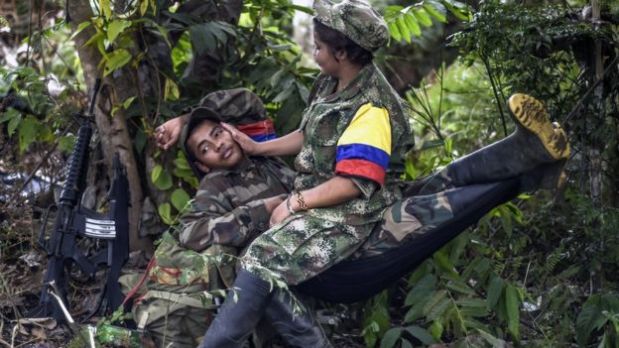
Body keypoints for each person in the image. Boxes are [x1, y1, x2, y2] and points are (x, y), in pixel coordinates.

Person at [193, 1, 571, 347]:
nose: (314, 52)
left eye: (319, 47)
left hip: (350, 210)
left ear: (342, 52)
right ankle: (529, 153)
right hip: (325, 192)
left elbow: (354, 183)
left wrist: (294, 203)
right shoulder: (331, 81)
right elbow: (311, 133)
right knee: (442, 182)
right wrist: (260, 148)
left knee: (260, 258)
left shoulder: (370, 109)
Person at [127, 88, 308, 347]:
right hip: (271, 273)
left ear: (229, 129)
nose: (218, 145)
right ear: (203, 164)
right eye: (205, 148)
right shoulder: (216, 184)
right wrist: (259, 211)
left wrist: (183, 120)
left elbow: (246, 99)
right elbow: (191, 231)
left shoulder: (262, 150)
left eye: (217, 133)